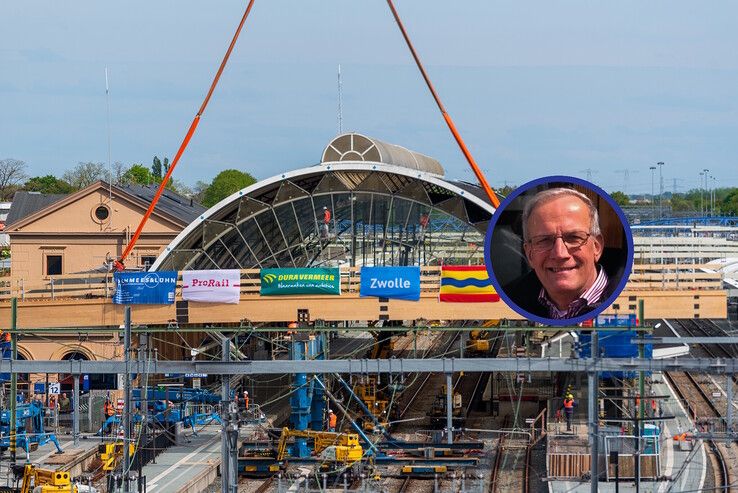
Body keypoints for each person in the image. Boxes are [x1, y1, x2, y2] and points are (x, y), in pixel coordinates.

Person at [504, 188, 621, 320]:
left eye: (573, 237)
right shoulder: (511, 302)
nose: (560, 254)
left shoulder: (625, 302)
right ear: (529, 254)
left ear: (596, 247)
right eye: (544, 240)